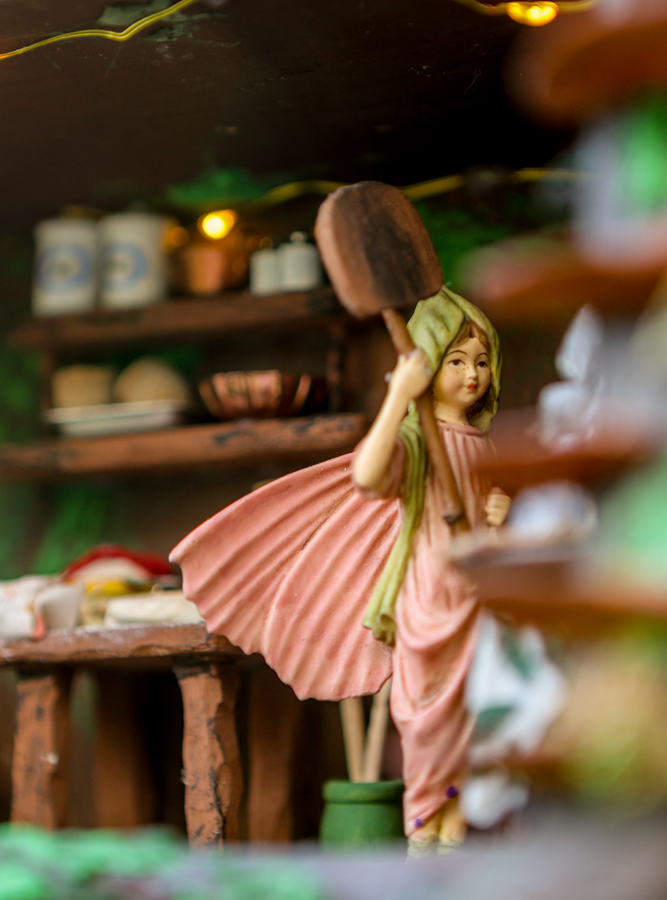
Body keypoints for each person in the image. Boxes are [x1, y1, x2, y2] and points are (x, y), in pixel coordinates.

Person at [170, 287, 507, 850]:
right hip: (429, 598)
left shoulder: (487, 447)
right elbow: (370, 476)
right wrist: (398, 397)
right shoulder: (418, 438)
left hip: (477, 599)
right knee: (427, 722)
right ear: (428, 363)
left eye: (481, 361)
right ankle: (425, 828)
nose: (472, 374)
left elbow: (488, 536)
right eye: (455, 360)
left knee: (474, 718)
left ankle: (456, 827)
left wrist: (500, 517)